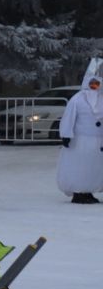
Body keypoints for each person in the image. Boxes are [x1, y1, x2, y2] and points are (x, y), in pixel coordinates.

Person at [56, 60, 103, 204]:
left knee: (94, 167)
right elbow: (69, 118)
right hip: (80, 140)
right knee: (80, 166)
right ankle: (78, 193)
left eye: (97, 84)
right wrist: (66, 134)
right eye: (92, 83)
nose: (94, 87)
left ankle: (88, 192)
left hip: (97, 141)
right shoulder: (77, 100)